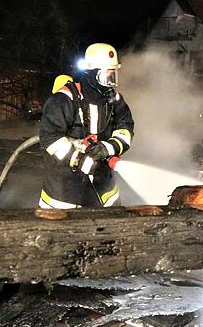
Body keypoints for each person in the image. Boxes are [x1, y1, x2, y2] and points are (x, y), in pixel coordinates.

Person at [38, 43, 134, 208]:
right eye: (106, 77)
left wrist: (108, 147)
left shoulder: (115, 101)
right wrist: (78, 159)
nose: (110, 83)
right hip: (64, 193)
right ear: (91, 74)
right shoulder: (64, 100)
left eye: (113, 76)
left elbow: (125, 129)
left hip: (104, 190)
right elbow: (50, 138)